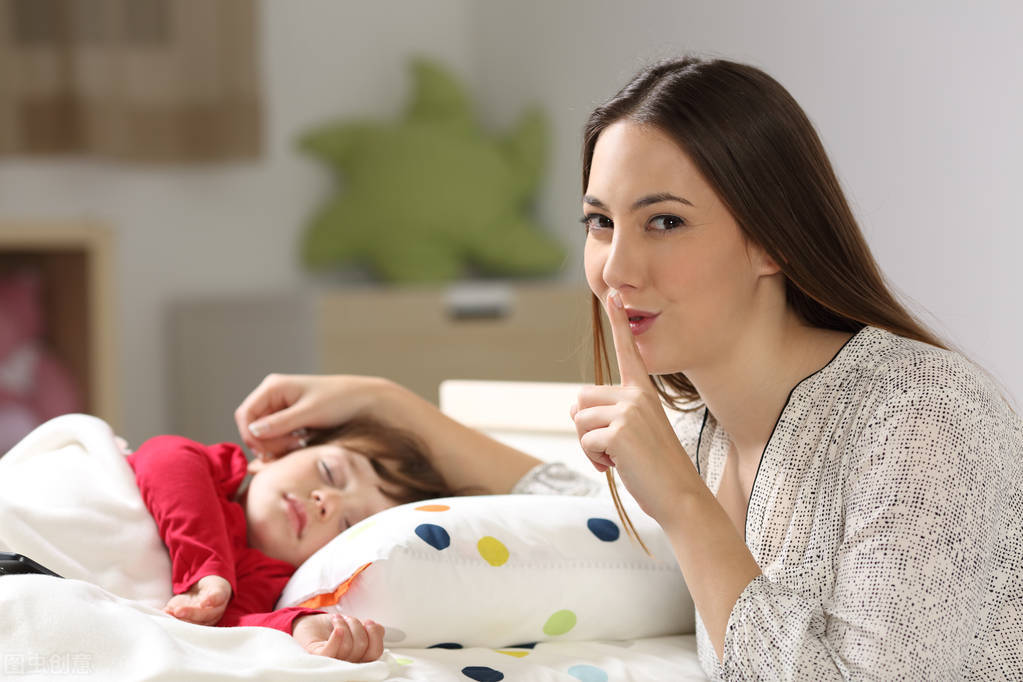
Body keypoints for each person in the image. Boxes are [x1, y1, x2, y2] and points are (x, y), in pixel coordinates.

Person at [234, 56, 1021, 680]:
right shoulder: (705, 418)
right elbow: (575, 503)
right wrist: (387, 401)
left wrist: (682, 501)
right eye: (599, 223)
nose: (614, 268)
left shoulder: (921, 415)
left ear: (771, 239)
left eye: (664, 222)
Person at [127, 416, 454, 663]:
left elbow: (226, 627)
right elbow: (166, 457)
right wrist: (206, 572)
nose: (328, 502)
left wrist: (299, 628)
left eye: (347, 524)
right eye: (329, 472)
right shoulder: (217, 471)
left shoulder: (266, 582)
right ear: (273, 454)